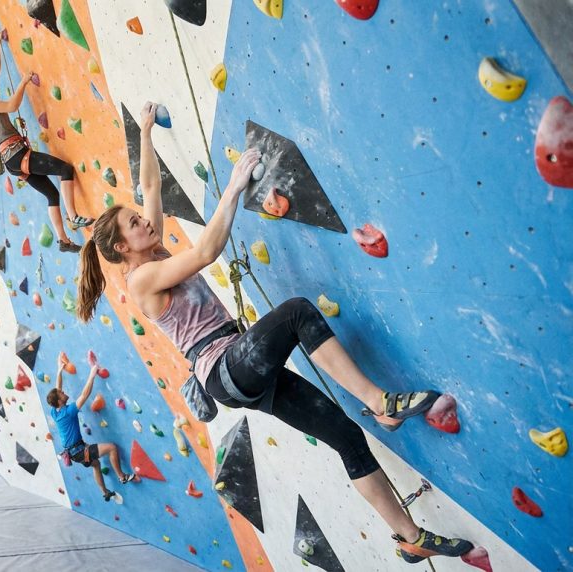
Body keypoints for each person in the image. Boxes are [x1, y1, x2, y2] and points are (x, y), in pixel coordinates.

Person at [75, 102, 474, 564]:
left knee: (345, 436)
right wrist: (234, 188)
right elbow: (206, 251)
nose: (145, 219)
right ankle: (381, 403)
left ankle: (408, 537)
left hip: (240, 371)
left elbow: (149, 186)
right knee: (297, 313)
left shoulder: (152, 248)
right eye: (135, 223)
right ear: (124, 247)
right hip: (224, 368)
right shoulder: (140, 279)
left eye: (139, 216)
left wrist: (144, 130)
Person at [0, 30, 93, 254]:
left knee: (52, 194)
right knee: (65, 169)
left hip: (14, 159)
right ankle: (73, 216)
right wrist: (23, 82)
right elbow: (11, 106)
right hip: (16, 155)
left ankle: (62, 241)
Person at [47, 353, 133, 501]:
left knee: (96, 465)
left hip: (74, 453)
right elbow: (84, 395)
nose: (63, 392)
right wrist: (92, 374)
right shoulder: (68, 412)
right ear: (59, 401)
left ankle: (105, 492)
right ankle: (122, 476)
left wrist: (59, 371)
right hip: (79, 450)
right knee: (112, 447)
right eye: (62, 394)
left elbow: (57, 388)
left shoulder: (55, 411)